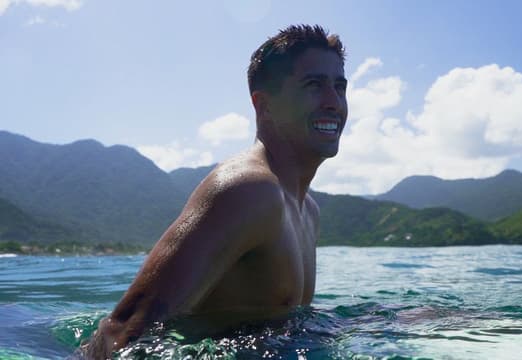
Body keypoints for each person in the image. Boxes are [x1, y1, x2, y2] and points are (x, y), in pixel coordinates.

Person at [83, 24, 348, 358]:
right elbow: (122, 333)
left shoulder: (308, 211)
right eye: (314, 85)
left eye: (340, 87)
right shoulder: (248, 191)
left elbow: (278, 328)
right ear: (264, 106)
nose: (333, 102)